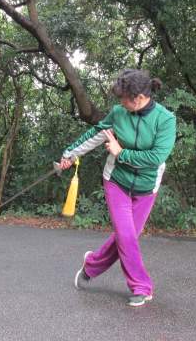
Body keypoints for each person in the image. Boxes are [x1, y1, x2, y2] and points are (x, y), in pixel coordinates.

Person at [58, 69, 177, 307]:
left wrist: (121, 153)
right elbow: (96, 133)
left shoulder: (165, 120)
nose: (120, 102)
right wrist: (70, 154)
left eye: (124, 98)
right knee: (126, 235)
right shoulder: (119, 113)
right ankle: (141, 286)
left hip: (146, 187)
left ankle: (91, 265)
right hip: (116, 181)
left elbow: (156, 157)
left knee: (127, 236)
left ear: (139, 98)